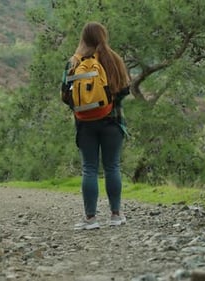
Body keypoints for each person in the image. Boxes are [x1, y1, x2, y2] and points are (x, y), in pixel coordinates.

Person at [61, 22, 131, 230]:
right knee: (112, 167)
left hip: (85, 124)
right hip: (113, 121)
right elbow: (125, 90)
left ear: (83, 38)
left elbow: (65, 95)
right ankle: (116, 215)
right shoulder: (113, 59)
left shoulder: (73, 62)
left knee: (89, 169)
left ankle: (90, 219)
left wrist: (83, 106)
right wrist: (108, 102)